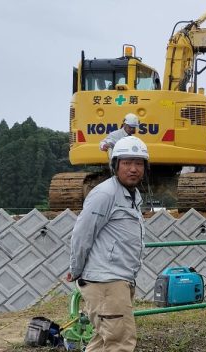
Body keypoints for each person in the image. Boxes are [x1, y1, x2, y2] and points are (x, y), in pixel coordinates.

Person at [67, 136, 147, 352]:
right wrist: (75, 269)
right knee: (120, 343)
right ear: (115, 165)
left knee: (104, 342)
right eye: (127, 163)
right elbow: (82, 234)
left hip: (119, 280)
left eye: (138, 163)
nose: (133, 169)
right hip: (105, 281)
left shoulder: (132, 194)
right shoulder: (104, 194)